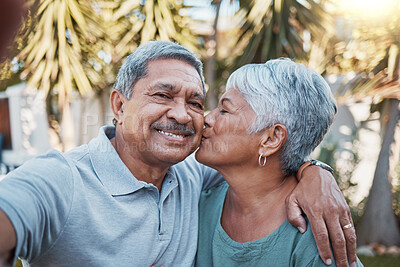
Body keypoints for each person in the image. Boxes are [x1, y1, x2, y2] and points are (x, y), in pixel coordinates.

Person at [0, 41, 355, 266]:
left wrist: (314, 171)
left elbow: (268, 167)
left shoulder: (193, 175)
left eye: (197, 102)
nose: (186, 116)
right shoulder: (62, 179)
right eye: (162, 95)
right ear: (119, 106)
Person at [195, 59, 362, 266]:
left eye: (224, 110)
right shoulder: (196, 204)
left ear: (271, 139)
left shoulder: (315, 236)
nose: (207, 119)